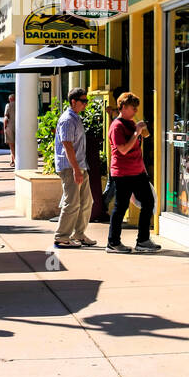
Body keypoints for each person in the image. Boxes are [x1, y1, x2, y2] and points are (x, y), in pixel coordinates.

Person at [106, 92, 160, 254]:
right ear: (123, 107)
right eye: (132, 107)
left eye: (137, 107)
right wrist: (136, 132)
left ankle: (143, 240)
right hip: (123, 173)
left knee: (148, 202)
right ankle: (113, 242)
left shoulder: (131, 123)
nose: (136, 110)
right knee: (121, 207)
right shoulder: (117, 126)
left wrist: (142, 130)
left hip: (137, 171)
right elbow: (122, 149)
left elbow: (143, 139)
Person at [52, 88, 96, 250]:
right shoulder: (67, 120)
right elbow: (67, 145)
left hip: (79, 166)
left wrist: (80, 168)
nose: (85, 104)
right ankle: (61, 237)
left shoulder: (75, 118)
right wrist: (76, 169)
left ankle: (79, 234)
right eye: (83, 101)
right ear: (73, 102)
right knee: (72, 203)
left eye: (86, 101)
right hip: (71, 167)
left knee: (87, 202)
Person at [4, 94, 16, 166]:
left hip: (10, 127)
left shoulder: (8, 105)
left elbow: (6, 117)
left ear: (10, 99)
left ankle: (15, 160)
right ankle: (12, 160)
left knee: (11, 145)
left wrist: (4, 127)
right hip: (19, 127)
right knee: (17, 145)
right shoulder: (20, 105)